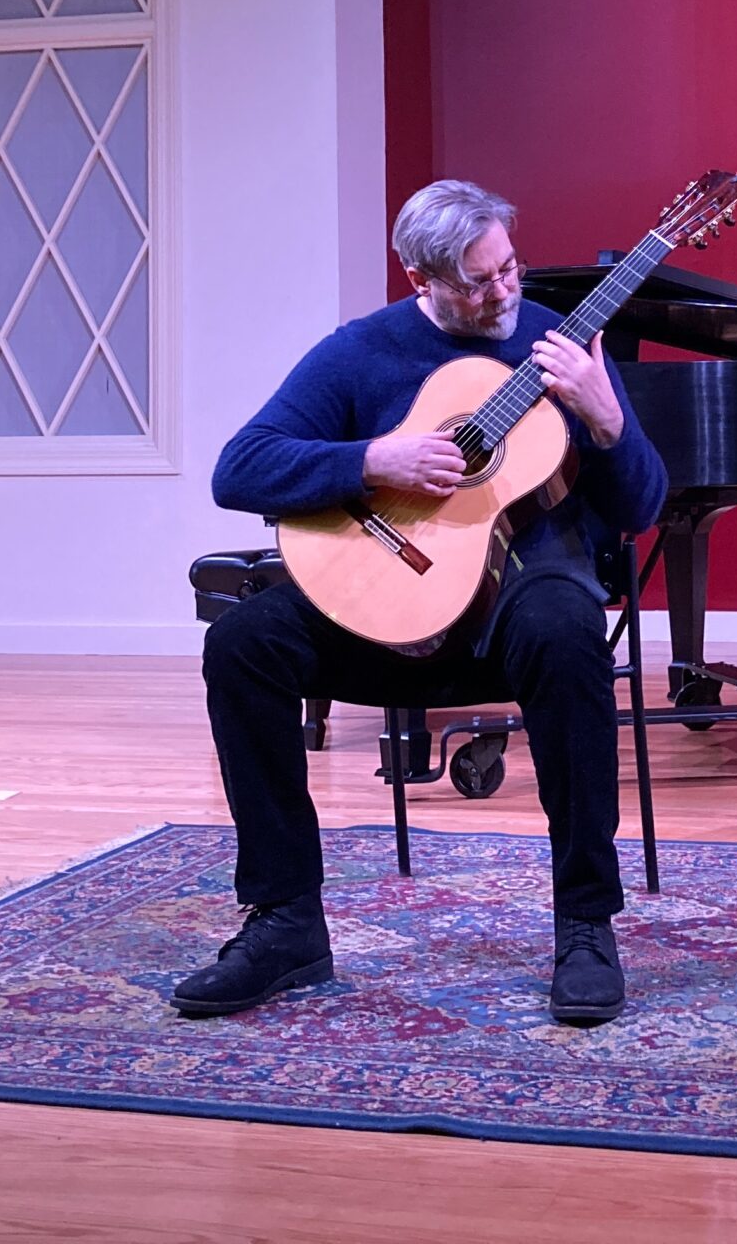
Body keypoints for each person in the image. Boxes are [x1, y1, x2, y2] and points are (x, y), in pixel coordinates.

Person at [178, 179, 668, 1027]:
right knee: (244, 642)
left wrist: (606, 419)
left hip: (521, 600)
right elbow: (239, 468)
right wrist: (373, 461)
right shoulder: (360, 352)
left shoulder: (565, 347)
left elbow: (642, 509)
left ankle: (585, 924)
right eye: (479, 282)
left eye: (509, 267)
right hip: (393, 603)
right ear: (420, 277)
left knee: (566, 629)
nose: (505, 291)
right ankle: (286, 920)